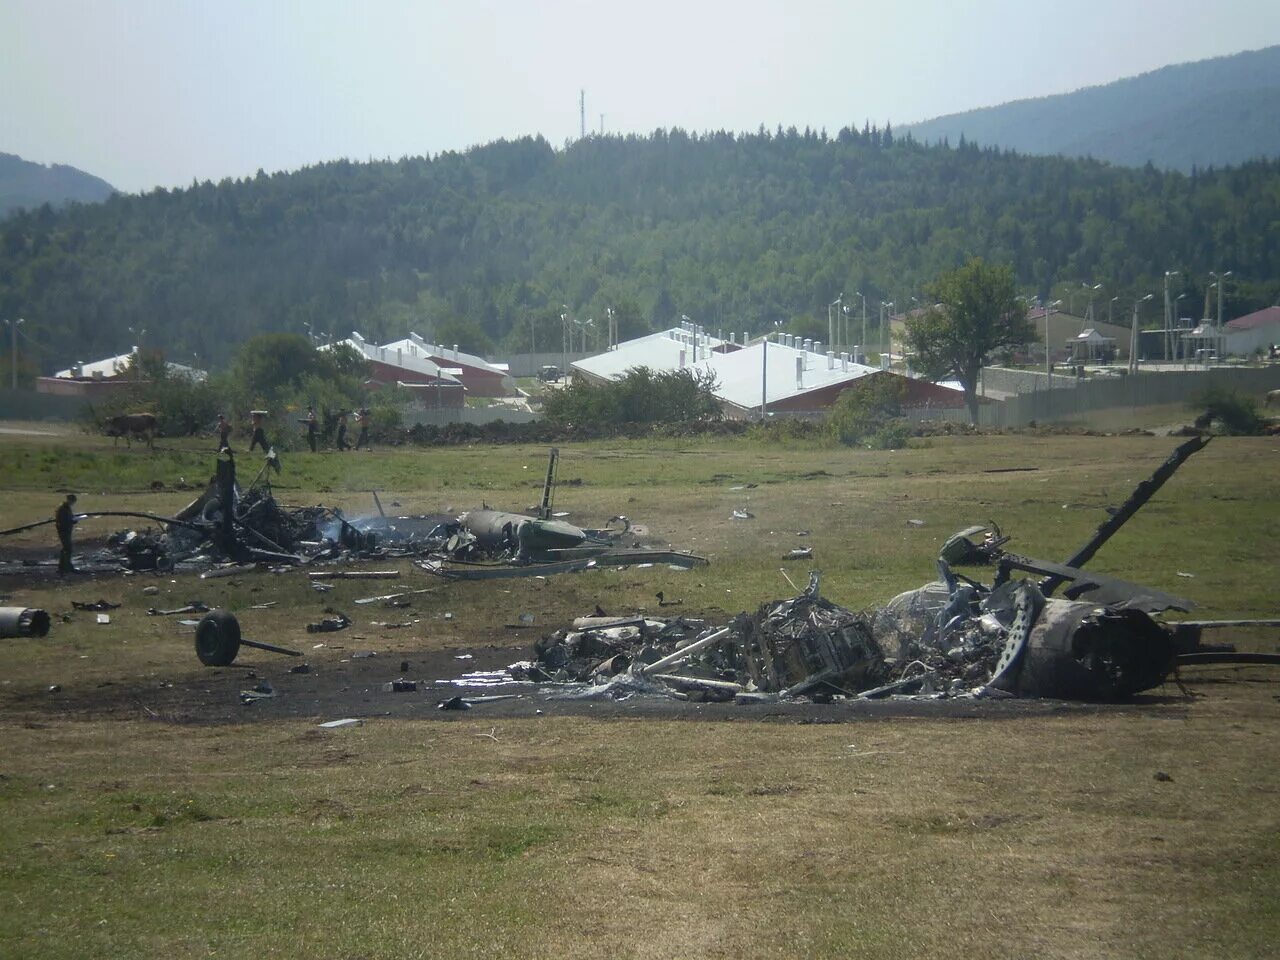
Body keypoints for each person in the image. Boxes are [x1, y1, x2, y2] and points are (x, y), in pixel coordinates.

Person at [55, 493, 79, 574]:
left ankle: (63, 566)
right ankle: (66, 566)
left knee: (66, 548)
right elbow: (63, 520)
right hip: (64, 531)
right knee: (68, 548)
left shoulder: (66, 508)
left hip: (66, 530)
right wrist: (72, 521)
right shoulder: (63, 509)